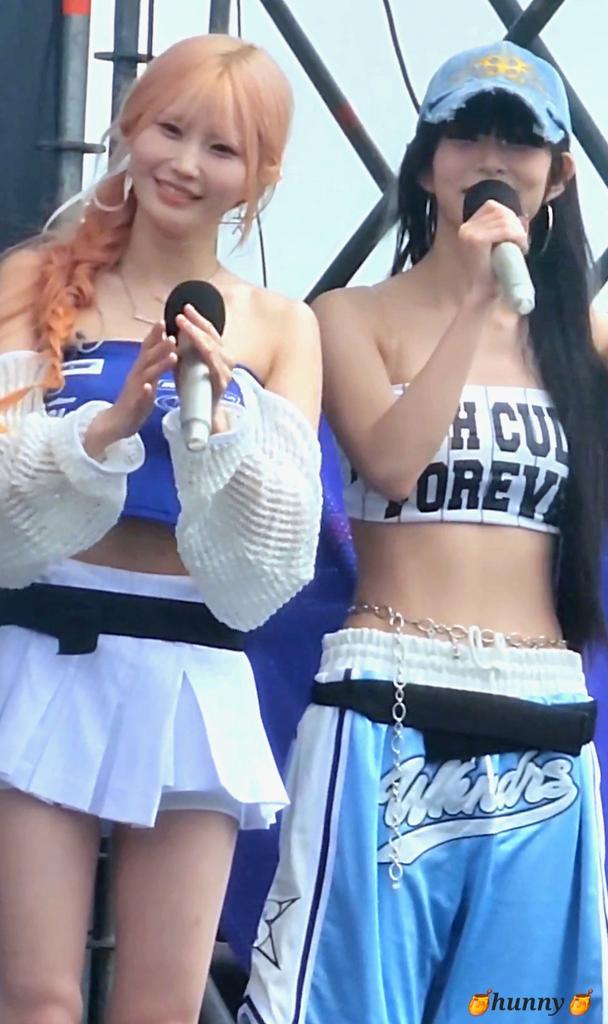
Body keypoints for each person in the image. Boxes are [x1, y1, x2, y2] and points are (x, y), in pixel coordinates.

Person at [240, 41, 608, 1024]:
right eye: (467, 134)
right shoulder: (350, 317)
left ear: (558, 175)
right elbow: (394, 463)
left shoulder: (579, 341)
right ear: (425, 164)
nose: (491, 157)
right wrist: (475, 307)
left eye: (518, 140)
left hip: (540, 712)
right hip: (389, 701)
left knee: (516, 1009)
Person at [0, 33, 322, 1024]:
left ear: (259, 179)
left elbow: (276, 557)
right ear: (128, 129)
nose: (185, 164)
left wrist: (216, 432)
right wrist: (102, 431)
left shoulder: (281, 325)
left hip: (192, 665)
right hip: (45, 644)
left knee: (161, 1007)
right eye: (169, 130)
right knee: (38, 999)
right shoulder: (31, 282)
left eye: (220, 148)